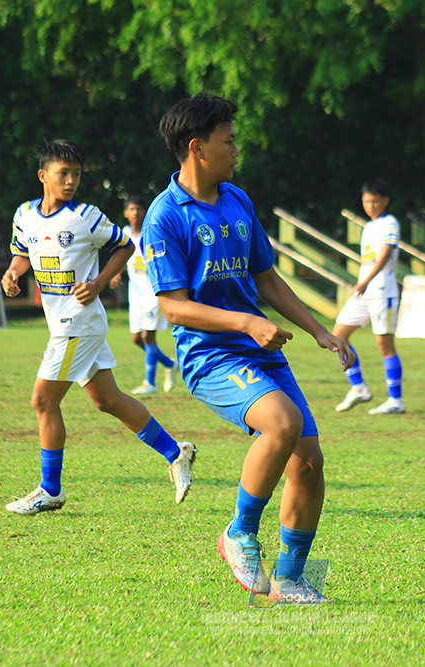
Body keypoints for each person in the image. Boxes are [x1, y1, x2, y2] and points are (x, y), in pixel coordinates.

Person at [143, 94, 353, 604]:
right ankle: (237, 535)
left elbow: (267, 278)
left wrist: (317, 329)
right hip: (211, 356)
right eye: (228, 140)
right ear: (198, 148)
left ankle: (291, 581)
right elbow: (174, 308)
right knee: (281, 424)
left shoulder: (238, 200)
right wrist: (246, 322)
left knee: (308, 459)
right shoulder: (165, 216)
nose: (236, 148)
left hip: (258, 349)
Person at [1, 139, 196, 513]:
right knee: (108, 400)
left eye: (76, 174)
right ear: (43, 176)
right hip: (63, 321)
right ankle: (177, 453)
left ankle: (50, 489)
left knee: (43, 400)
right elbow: (21, 254)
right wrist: (12, 273)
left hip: (78, 322)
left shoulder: (86, 216)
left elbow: (124, 246)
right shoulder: (24, 214)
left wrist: (99, 283)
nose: (71, 180)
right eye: (63, 174)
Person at [332, 180, 406, 415]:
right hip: (364, 291)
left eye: (375, 201)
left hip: (382, 290)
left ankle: (396, 400)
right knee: (337, 336)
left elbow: (385, 253)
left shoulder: (390, 223)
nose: (371, 205)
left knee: (385, 345)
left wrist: (366, 280)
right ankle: (359, 387)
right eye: (366, 201)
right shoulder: (368, 226)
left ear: (385, 200)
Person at [108, 195, 178, 395]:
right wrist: (116, 274)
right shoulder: (124, 233)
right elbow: (120, 256)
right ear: (125, 213)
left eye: (139, 209)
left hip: (153, 293)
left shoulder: (152, 232)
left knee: (148, 336)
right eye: (131, 209)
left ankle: (150, 383)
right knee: (136, 338)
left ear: (145, 211)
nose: (135, 213)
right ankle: (169, 364)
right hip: (135, 294)